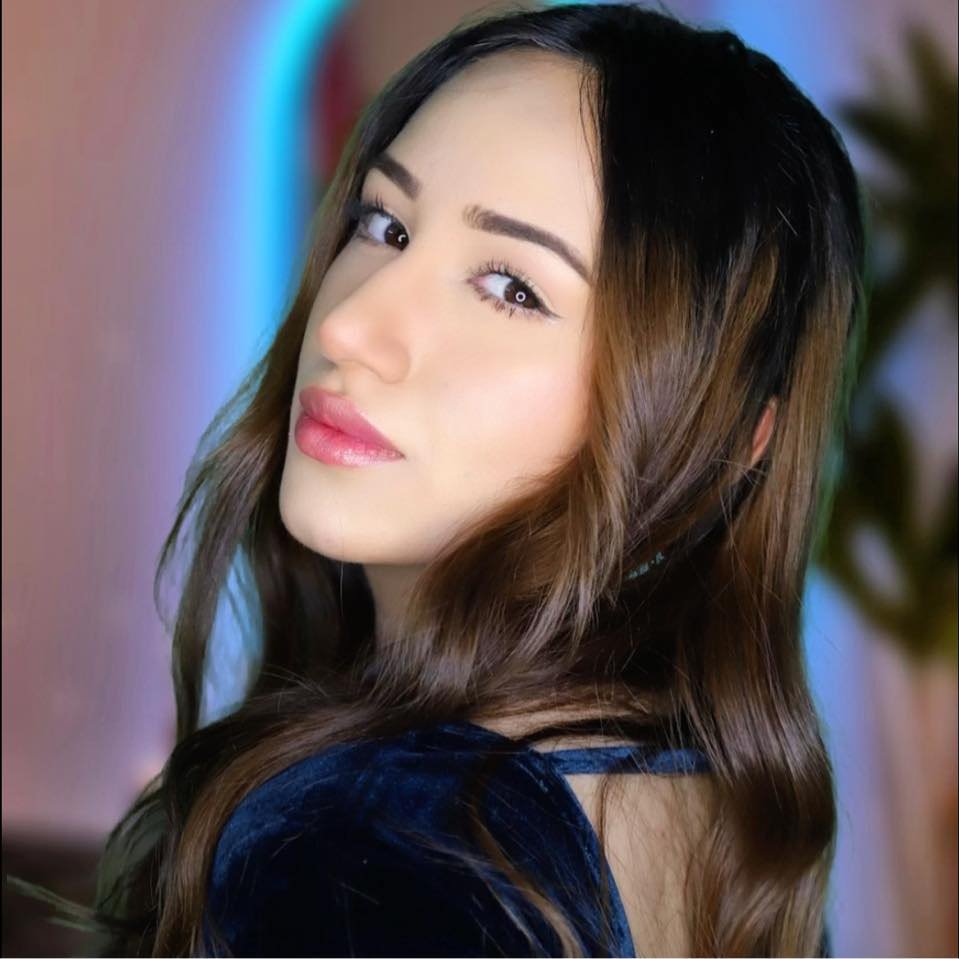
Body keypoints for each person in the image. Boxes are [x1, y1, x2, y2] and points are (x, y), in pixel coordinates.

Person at [79, 2, 865, 955]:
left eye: (511, 288)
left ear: (726, 438)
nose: (349, 327)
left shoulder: (368, 848)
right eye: (384, 224)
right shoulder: (724, 825)